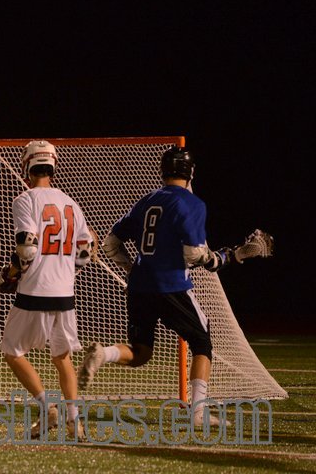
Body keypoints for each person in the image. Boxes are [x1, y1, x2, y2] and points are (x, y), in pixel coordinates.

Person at [78, 146, 232, 426]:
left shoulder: (146, 201)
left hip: (140, 287)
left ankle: (104, 353)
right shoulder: (193, 203)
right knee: (202, 343)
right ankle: (198, 413)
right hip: (172, 285)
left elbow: (111, 243)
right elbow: (194, 254)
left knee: (141, 352)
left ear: (163, 171)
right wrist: (217, 259)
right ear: (190, 172)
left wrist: (132, 270)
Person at [0, 140, 94, 440]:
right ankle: (74, 422)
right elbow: (86, 251)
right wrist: (64, 271)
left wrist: (11, 273)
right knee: (62, 357)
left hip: (35, 289)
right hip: (65, 291)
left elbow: (27, 247)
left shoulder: (25, 199)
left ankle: (48, 409)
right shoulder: (71, 202)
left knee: (11, 350)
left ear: (27, 166)